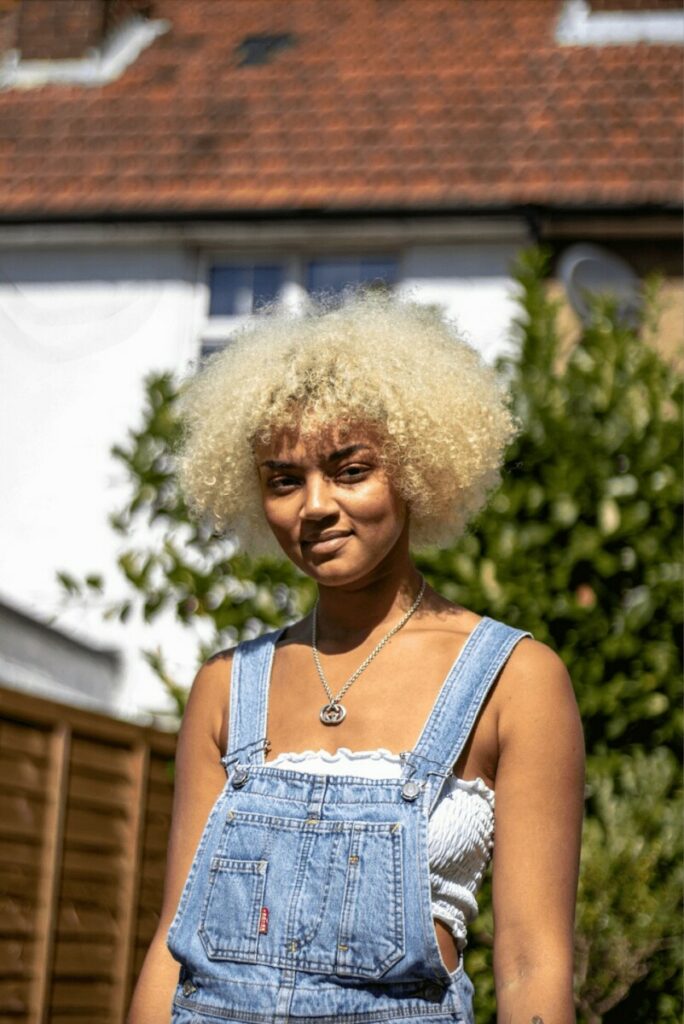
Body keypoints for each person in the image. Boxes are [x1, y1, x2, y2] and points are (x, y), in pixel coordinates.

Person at [127, 290, 585, 1024]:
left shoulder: (515, 680)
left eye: (349, 470)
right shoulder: (225, 686)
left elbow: (534, 963)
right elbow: (171, 945)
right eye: (284, 478)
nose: (314, 505)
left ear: (414, 467)